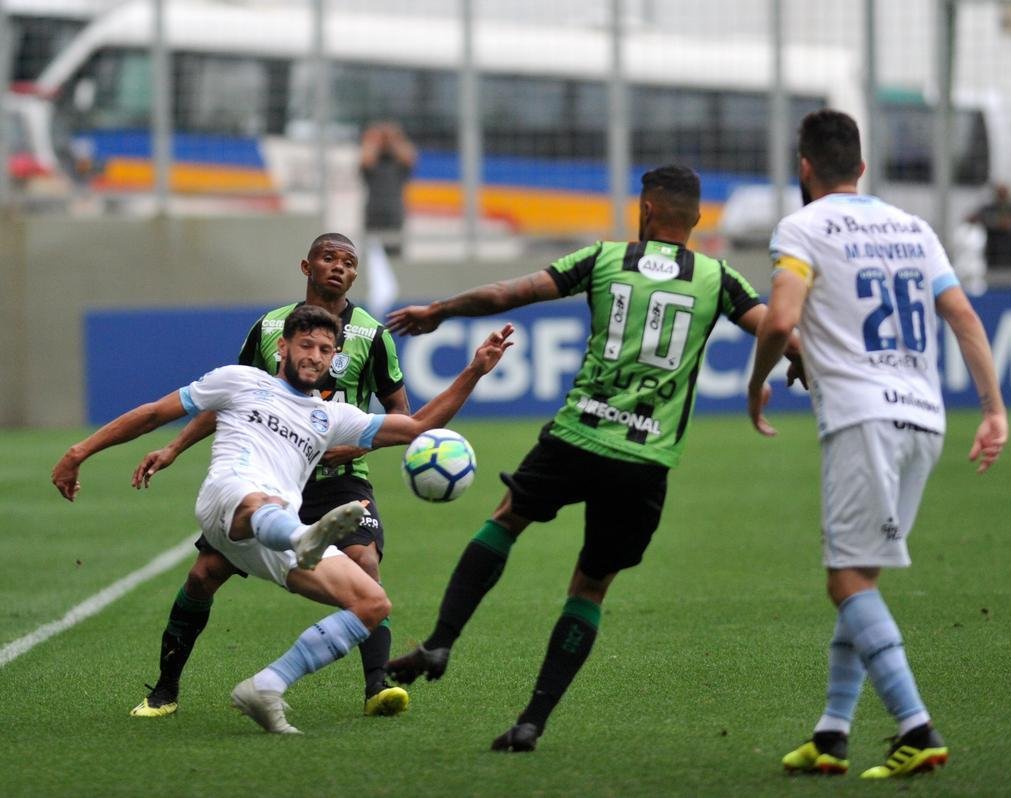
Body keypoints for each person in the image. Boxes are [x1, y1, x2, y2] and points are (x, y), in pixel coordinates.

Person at [383, 165, 801, 752]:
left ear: (647, 209)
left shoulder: (606, 259)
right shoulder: (719, 279)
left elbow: (510, 294)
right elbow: (780, 331)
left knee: (507, 518)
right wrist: (788, 368)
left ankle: (443, 639)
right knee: (590, 586)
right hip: (645, 458)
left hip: (578, 435)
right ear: (697, 219)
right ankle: (532, 721)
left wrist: (442, 311)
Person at [51, 305, 514, 734]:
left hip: (276, 533)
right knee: (256, 508)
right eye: (306, 346)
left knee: (372, 604)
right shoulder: (238, 380)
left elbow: (415, 427)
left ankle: (268, 685)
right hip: (228, 501)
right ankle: (299, 540)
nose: (315, 357)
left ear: (334, 359)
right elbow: (154, 413)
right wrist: (78, 452)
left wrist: (474, 370)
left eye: (325, 350)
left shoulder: (330, 416)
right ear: (283, 348)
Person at [747, 110, 1007, 779]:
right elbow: (963, 316)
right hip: (925, 418)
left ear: (804, 167)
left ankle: (915, 726)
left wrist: (757, 384)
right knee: (860, 575)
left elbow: (780, 317)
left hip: (863, 420)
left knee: (844, 579)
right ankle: (831, 735)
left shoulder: (802, 227)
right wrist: (993, 410)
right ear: (861, 166)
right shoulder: (913, 227)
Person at [127, 233, 416, 720]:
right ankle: (164, 691)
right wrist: (174, 446)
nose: (339, 268)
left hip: (340, 476)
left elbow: (400, 413)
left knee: (364, 564)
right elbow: (230, 397)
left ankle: (377, 687)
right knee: (203, 576)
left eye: (349, 262)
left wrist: (324, 449)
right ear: (307, 265)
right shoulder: (271, 327)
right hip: (270, 474)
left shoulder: (372, 334)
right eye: (329, 258)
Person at [361, 122, 418, 258]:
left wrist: (395, 138)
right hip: (374, 213)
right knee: (371, 254)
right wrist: (374, 139)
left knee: (395, 255)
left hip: (394, 213)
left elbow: (408, 157)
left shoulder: (398, 162)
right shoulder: (373, 160)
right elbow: (365, 159)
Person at [965, 182, 1011, 273]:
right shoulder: (989, 209)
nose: (1003, 196)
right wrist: (994, 222)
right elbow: (970, 219)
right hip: (994, 258)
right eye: (1000, 193)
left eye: (1005, 193)